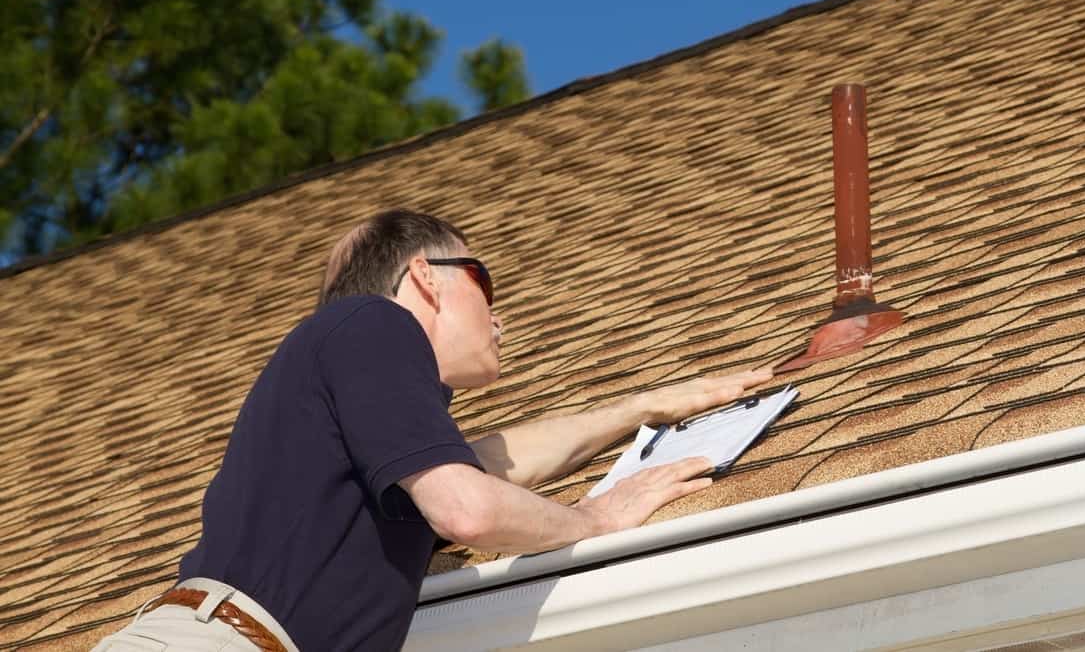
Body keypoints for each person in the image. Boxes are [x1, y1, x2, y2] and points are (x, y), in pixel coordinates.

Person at [92, 209, 773, 651]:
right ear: (423, 275)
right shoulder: (372, 322)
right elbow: (469, 507)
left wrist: (645, 407)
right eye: (484, 281)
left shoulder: (356, 421)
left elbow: (492, 466)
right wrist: (594, 519)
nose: (500, 319)